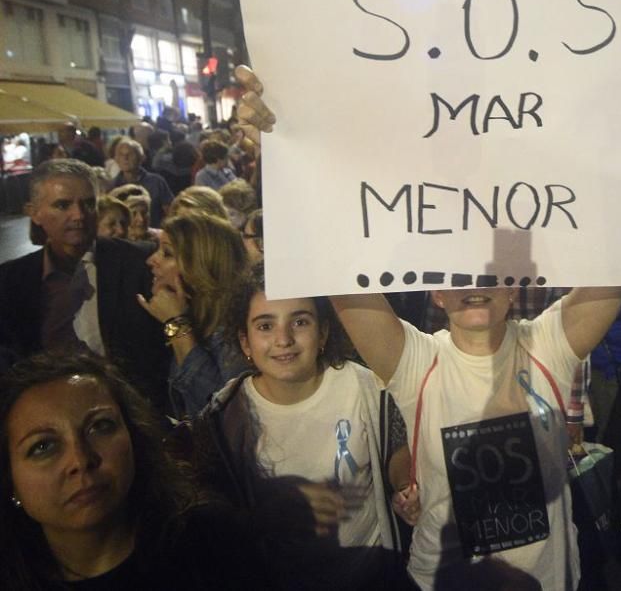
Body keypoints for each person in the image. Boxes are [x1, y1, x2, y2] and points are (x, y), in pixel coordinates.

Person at [232, 41, 621, 590]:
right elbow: (331, 265)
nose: (472, 283)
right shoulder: (414, 361)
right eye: (454, 272)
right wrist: (279, 144)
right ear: (436, 296)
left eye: (485, 268)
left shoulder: (550, 341)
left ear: (514, 284)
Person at [183, 263, 413, 590]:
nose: (284, 339)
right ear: (245, 343)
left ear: (323, 333)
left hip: (372, 579)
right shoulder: (225, 416)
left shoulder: (365, 388)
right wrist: (259, 520)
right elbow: (210, 509)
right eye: (265, 326)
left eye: (300, 321)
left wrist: (406, 483)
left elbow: (396, 452)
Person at [0, 351, 265, 589]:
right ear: (10, 478)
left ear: (134, 435)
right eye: (43, 446)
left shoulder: (214, 545)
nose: (80, 460)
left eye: (100, 427)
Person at [0, 160, 167, 410]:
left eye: (89, 204)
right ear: (34, 213)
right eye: (62, 205)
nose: (79, 215)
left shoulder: (139, 262)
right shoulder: (11, 281)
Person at [138, 212, 249, 418]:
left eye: (167, 253)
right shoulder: (198, 318)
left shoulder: (236, 329)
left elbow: (221, 413)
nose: (151, 260)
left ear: (201, 265)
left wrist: (176, 325)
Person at [111, 138, 174, 228]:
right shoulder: (112, 186)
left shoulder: (156, 182)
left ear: (141, 158)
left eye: (130, 154)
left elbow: (170, 212)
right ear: (116, 159)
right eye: (121, 155)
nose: (125, 158)